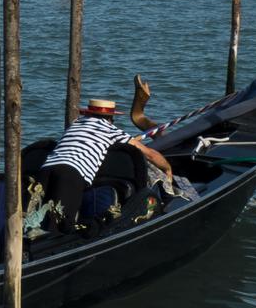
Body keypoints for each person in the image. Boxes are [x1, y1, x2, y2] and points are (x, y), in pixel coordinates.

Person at [35, 98, 171, 231]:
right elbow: (150, 154)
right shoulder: (110, 130)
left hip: (45, 170)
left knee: (36, 218)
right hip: (70, 174)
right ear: (110, 118)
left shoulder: (75, 125)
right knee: (61, 226)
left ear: (88, 114)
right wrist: (167, 168)